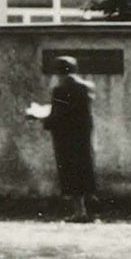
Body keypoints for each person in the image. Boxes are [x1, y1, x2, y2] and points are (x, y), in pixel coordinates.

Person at [39, 55, 95, 219]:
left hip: (65, 137)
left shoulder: (60, 90)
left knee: (70, 172)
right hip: (83, 136)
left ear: (59, 73)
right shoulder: (86, 87)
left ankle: (79, 211)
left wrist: (42, 118)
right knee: (84, 170)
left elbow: (57, 115)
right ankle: (86, 210)